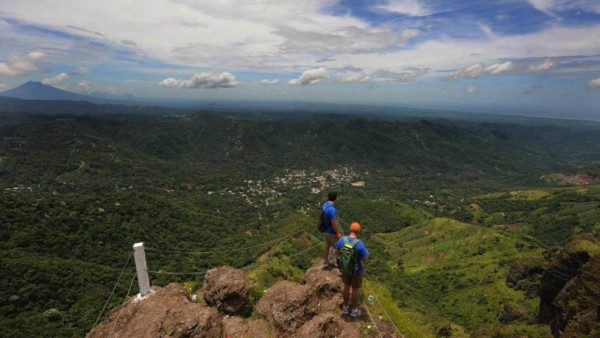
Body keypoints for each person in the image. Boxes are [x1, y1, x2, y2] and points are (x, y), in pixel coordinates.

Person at [336, 222, 369, 318]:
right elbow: (365, 258)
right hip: (356, 271)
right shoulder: (359, 244)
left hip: (345, 269)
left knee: (346, 286)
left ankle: (345, 307)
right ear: (358, 231)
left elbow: (337, 252)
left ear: (350, 229)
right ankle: (354, 310)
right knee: (355, 289)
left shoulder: (342, 240)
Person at [322, 191, 341, 267]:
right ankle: (336, 262)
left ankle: (326, 261)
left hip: (326, 230)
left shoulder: (325, 205)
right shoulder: (332, 209)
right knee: (338, 247)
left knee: (327, 245)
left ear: (328, 197)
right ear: (335, 198)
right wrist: (337, 233)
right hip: (331, 232)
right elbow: (334, 223)